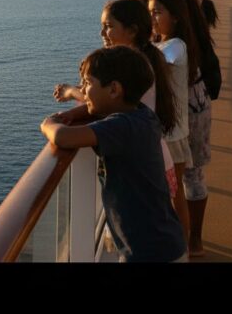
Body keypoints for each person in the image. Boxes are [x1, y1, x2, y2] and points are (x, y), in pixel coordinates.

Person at [40, 46, 188, 263]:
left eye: (88, 83)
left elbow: (63, 137)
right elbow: (100, 112)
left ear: (114, 90)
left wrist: (49, 123)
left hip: (151, 252)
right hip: (161, 241)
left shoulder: (122, 127)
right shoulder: (141, 115)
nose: (83, 89)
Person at [54, 0, 178, 199]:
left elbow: (99, 103)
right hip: (156, 159)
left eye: (109, 27)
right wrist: (72, 113)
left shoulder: (132, 69)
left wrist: (66, 101)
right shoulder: (144, 59)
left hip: (143, 169)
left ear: (132, 31)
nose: (102, 34)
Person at [149, 0, 212, 258]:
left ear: (175, 17)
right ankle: (181, 245)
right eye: (149, 12)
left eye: (157, 12)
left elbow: (164, 60)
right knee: (169, 194)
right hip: (164, 132)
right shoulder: (159, 43)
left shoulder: (176, 45)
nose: (151, 17)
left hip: (173, 134)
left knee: (176, 196)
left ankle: (185, 246)